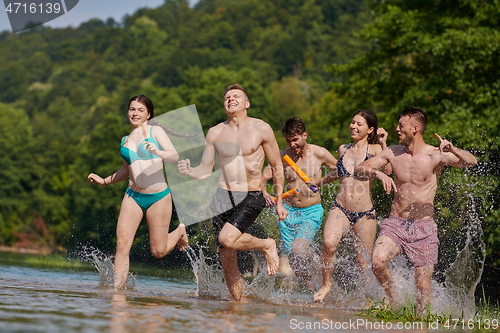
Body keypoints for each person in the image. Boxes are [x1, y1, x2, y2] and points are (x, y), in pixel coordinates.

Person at [354, 106, 477, 313]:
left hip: (424, 227)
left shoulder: (435, 155)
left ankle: (421, 322)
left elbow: (471, 162)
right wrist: (379, 174)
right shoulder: (392, 152)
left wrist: (453, 150)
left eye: (401, 126)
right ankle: (395, 301)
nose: (397, 129)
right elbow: (360, 168)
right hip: (395, 223)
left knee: (422, 286)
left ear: (416, 129)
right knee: (377, 261)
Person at [177, 83, 287, 301]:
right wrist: (189, 171)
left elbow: (276, 166)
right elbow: (205, 169)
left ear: (247, 103)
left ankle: (267, 244)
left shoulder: (261, 129)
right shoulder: (215, 132)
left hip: (250, 194)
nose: (230, 99)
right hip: (222, 195)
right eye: (227, 97)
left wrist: (280, 201)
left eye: (236, 96)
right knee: (226, 256)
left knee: (227, 239)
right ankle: (238, 305)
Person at [88, 95, 189, 289]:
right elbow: (127, 169)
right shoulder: (125, 140)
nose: (135, 113)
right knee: (122, 246)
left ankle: (180, 231)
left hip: (158, 196)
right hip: (133, 195)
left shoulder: (155, 131)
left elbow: (174, 155)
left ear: (148, 114)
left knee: (158, 251)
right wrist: (105, 181)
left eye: (140, 110)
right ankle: (118, 292)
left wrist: (158, 151)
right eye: (132, 109)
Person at [309, 109, 390, 302]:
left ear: (370, 129)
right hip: (341, 207)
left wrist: (383, 142)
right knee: (329, 243)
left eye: (359, 124)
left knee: (363, 261)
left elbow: (388, 169)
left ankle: (372, 301)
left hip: (365, 213)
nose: (353, 126)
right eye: (353, 122)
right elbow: (338, 173)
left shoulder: (376, 150)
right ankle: (327, 284)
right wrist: (318, 182)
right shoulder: (343, 148)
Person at [260, 117, 338, 290]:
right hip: (287, 212)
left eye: (295, 140)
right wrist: (266, 194)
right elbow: (263, 179)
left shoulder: (320, 153)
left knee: (298, 251)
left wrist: (320, 182)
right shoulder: (282, 156)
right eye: (289, 141)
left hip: (311, 211)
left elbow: (340, 170)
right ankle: (316, 292)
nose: (292, 144)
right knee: (295, 262)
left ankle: (317, 260)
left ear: (305, 135)